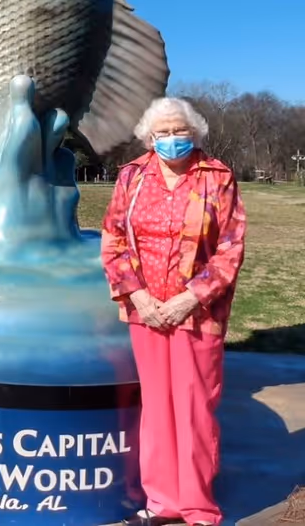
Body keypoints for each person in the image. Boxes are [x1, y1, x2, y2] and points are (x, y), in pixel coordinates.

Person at [100, 97, 246, 526]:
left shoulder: (217, 177)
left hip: (198, 315)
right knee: (157, 408)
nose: (170, 139)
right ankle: (163, 502)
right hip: (145, 313)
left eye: (178, 130)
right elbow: (113, 240)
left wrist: (188, 299)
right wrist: (140, 298)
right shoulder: (132, 176)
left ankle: (199, 507)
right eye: (161, 133)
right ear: (148, 137)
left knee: (194, 408)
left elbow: (230, 247)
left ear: (194, 132)